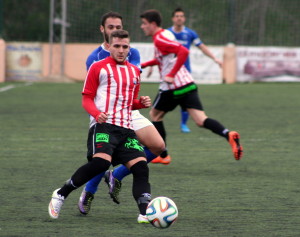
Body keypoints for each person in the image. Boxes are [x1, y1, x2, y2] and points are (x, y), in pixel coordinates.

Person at [48, 30, 152, 224]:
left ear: (129, 48)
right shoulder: (98, 67)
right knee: (101, 164)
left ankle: (145, 213)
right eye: (117, 46)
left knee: (141, 167)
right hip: (103, 126)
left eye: (125, 47)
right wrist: (97, 114)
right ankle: (61, 194)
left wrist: (141, 103)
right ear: (110, 47)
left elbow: (129, 102)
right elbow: (87, 98)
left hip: (126, 129)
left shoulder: (134, 72)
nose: (121, 50)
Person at [77, 12, 167, 219]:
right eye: (110, 27)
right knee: (104, 158)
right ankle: (88, 192)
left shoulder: (131, 51)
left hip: (128, 110)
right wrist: (99, 114)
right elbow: (94, 92)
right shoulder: (94, 58)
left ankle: (116, 175)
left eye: (118, 26)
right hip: (106, 114)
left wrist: (139, 102)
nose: (114, 30)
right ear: (103, 30)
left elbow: (131, 76)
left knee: (158, 146)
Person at [139, 9, 243, 163]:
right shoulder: (167, 34)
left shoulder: (160, 38)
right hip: (187, 83)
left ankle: (163, 155)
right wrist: (145, 65)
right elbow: (165, 58)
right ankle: (228, 134)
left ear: (153, 24)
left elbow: (183, 51)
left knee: (155, 115)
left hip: (172, 87)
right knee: (201, 120)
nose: (142, 27)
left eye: (144, 23)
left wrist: (172, 74)